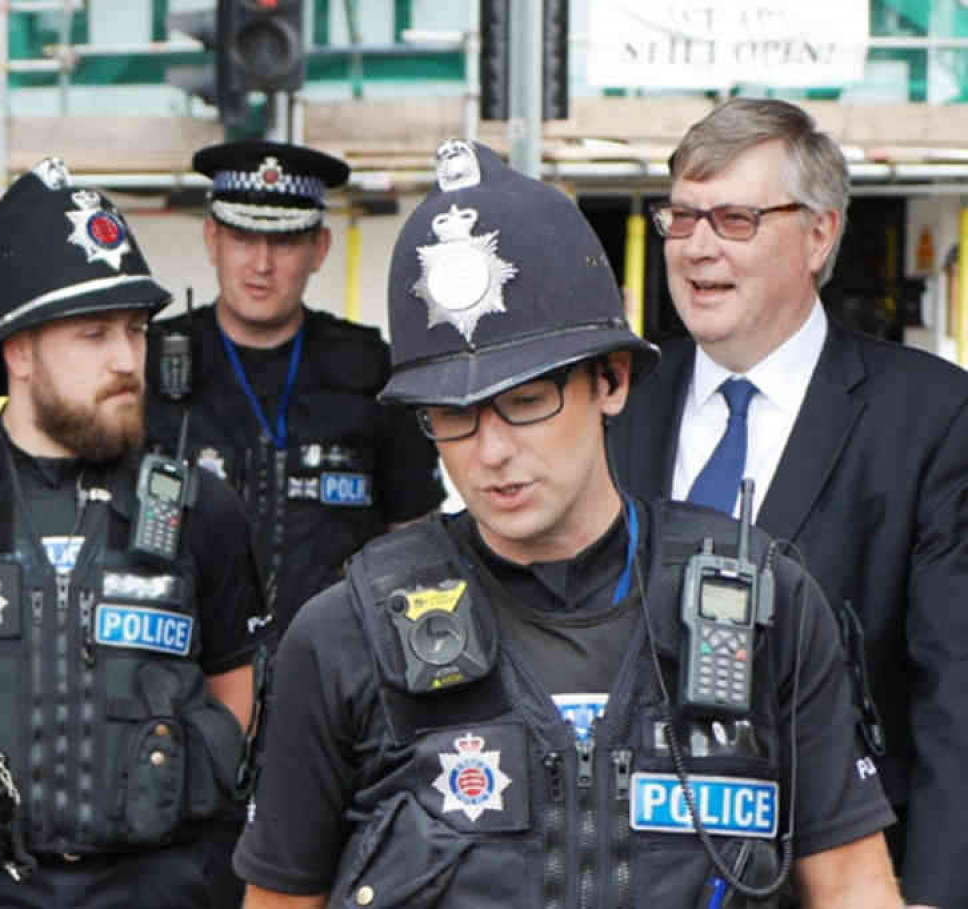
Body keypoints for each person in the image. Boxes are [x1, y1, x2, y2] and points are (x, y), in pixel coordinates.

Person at [232, 138, 902, 909]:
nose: (490, 452)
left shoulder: (765, 607)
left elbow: (853, 885)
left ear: (610, 381)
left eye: (525, 402)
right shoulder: (344, 635)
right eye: (452, 417)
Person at [609, 97, 968, 909]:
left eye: (735, 218)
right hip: (630, 870)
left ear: (819, 234)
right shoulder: (616, 401)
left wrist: (937, 893)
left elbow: (957, 684)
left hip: (840, 871)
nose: (697, 246)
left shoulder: (932, 417)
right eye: (683, 216)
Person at [0, 159, 274, 908]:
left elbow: (237, 687)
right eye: (93, 333)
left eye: (135, 331)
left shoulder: (203, 507)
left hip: (158, 886)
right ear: (20, 352)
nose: (125, 359)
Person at [145, 139, 447, 638]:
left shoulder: (372, 370)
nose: (261, 264)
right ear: (211, 239)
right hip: (181, 672)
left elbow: (415, 538)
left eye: (284, 242)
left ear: (319, 249)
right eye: (243, 238)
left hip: (336, 673)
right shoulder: (148, 365)